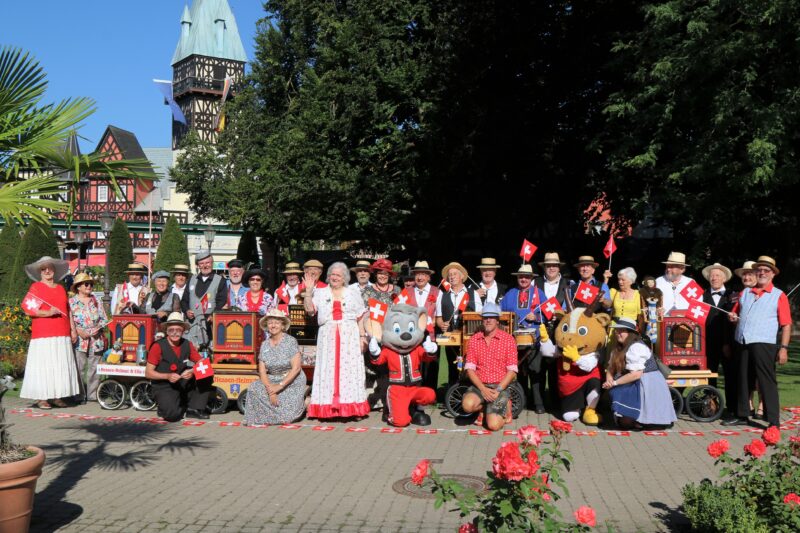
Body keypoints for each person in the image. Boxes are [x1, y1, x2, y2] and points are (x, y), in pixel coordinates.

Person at [723, 256, 792, 429]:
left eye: (766, 270)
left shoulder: (778, 295)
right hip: (742, 341)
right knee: (743, 379)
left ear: (772, 275)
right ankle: (743, 414)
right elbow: (735, 313)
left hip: (764, 343)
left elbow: (786, 325)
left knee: (766, 380)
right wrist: (732, 317)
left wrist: (783, 348)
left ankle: (773, 420)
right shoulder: (745, 293)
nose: (761, 273)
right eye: (759, 270)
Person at [304, 262, 370, 419]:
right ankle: (327, 409)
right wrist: (308, 291)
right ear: (328, 277)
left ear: (345, 278)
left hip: (349, 336)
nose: (335, 277)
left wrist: (362, 337)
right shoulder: (320, 292)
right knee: (328, 369)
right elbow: (310, 310)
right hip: (328, 336)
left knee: (350, 370)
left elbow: (361, 317)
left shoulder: (353, 293)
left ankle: (352, 408)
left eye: (338, 275)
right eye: (332, 274)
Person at [19, 256, 81, 409]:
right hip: (43, 333)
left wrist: (73, 330)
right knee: (44, 364)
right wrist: (48, 313)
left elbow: (68, 311)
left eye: (49, 268)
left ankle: (56, 395)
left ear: (54, 270)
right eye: (43, 269)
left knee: (59, 364)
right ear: (40, 272)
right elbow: (27, 309)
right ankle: (42, 398)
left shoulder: (60, 289)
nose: (47, 271)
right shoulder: (36, 288)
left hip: (62, 332)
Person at [603, 318, 677, 429]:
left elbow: (636, 374)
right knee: (624, 422)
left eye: (622, 330)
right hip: (629, 380)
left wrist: (614, 383)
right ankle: (631, 419)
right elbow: (610, 368)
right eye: (617, 330)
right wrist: (609, 378)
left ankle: (644, 420)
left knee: (645, 420)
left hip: (648, 382)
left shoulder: (637, 347)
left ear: (631, 333)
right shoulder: (617, 349)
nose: (618, 333)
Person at [145, 312, 212, 421]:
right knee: (173, 416)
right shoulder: (158, 346)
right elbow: (148, 373)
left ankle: (194, 409)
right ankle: (167, 405)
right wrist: (167, 376)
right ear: (166, 331)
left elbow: (203, 363)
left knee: (206, 373)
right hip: (164, 385)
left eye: (178, 330)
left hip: (181, 381)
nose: (175, 333)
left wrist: (193, 371)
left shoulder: (187, 344)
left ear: (183, 330)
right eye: (171, 330)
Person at [461, 303, 519, 431]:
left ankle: (506, 409)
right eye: (485, 317)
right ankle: (485, 408)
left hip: (500, 387)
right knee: (467, 405)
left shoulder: (508, 340)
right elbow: (470, 369)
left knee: (493, 426)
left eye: (492, 317)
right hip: (480, 386)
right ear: (482, 320)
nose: (488, 320)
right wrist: (482, 389)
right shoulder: (474, 339)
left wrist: (498, 390)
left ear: (497, 320)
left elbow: (512, 371)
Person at [243, 309, 306, 425]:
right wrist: (271, 391)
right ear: (267, 326)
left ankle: (302, 403)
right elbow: (262, 371)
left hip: (291, 380)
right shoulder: (264, 344)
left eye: (277, 322)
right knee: (253, 387)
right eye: (270, 322)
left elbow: (296, 368)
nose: (273, 325)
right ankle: (264, 416)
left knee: (287, 417)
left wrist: (280, 386)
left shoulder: (291, 341)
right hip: (272, 380)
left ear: (282, 325)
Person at [501, 264, 548, 413]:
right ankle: (521, 401)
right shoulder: (510, 293)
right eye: (521, 276)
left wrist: (537, 316)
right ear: (517, 277)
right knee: (518, 370)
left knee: (536, 371)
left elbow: (548, 314)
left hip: (534, 339)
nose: (523, 279)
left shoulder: (539, 293)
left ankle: (539, 403)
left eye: (526, 276)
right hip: (514, 340)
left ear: (531, 278)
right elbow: (501, 314)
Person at [435, 261, 482, 388]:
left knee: (471, 365)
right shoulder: (442, 295)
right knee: (452, 364)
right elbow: (438, 318)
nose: (452, 276)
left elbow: (479, 316)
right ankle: (453, 392)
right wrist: (441, 325)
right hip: (450, 337)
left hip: (469, 337)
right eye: (450, 275)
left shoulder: (473, 294)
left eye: (455, 274)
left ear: (462, 276)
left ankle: (471, 390)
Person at [534, 252, 569, 412]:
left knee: (557, 370)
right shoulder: (535, 283)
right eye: (549, 266)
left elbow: (572, 309)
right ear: (545, 267)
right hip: (538, 330)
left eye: (554, 265)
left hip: (559, 332)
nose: (552, 268)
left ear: (559, 267)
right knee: (538, 369)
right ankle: (538, 403)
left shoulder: (568, 284)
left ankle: (556, 403)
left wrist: (562, 313)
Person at [69, 272, 108, 402]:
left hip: (96, 340)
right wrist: (77, 330)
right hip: (79, 340)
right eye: (86, 284)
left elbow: (104, 319)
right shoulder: (71, 302)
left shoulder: (96, 301)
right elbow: (67, 321)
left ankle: (92, 395)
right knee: (79, 368)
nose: (89, 286)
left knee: (94, 368)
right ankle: (78, 395)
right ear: (78, 286)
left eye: (91, 284)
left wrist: (100, 328)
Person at [700, 263, 736, 390]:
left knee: (731, 374)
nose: (714, 278)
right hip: (707, 342)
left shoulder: (733, 295)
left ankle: (732, 407)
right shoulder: (701, 296)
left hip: (729, 342)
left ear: (724, 278)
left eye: (717, 275)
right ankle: (710, 405)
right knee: (709, 374)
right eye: (711, 276)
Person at [182, 251, 227, 348]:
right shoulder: (191, 280)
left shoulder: (220, 280)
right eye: (201, 263)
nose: (205, 266)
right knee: (192, 351)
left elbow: (221, 301)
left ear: (212, 263)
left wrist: (213, 315)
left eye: (207, 263)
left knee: (210, 352)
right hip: (193, 324)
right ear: (198, 265)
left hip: (210, 325)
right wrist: (186, 311)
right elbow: (184, 300)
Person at [655, 251, 695, 315]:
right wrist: (656, 310)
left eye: (671, 267)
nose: (668, 269)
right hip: (663, 321)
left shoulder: (690, 283)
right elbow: (650, 302)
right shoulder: (658, 282)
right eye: (667, 266)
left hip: (685, 322)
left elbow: (697, 305)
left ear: (682, 269)